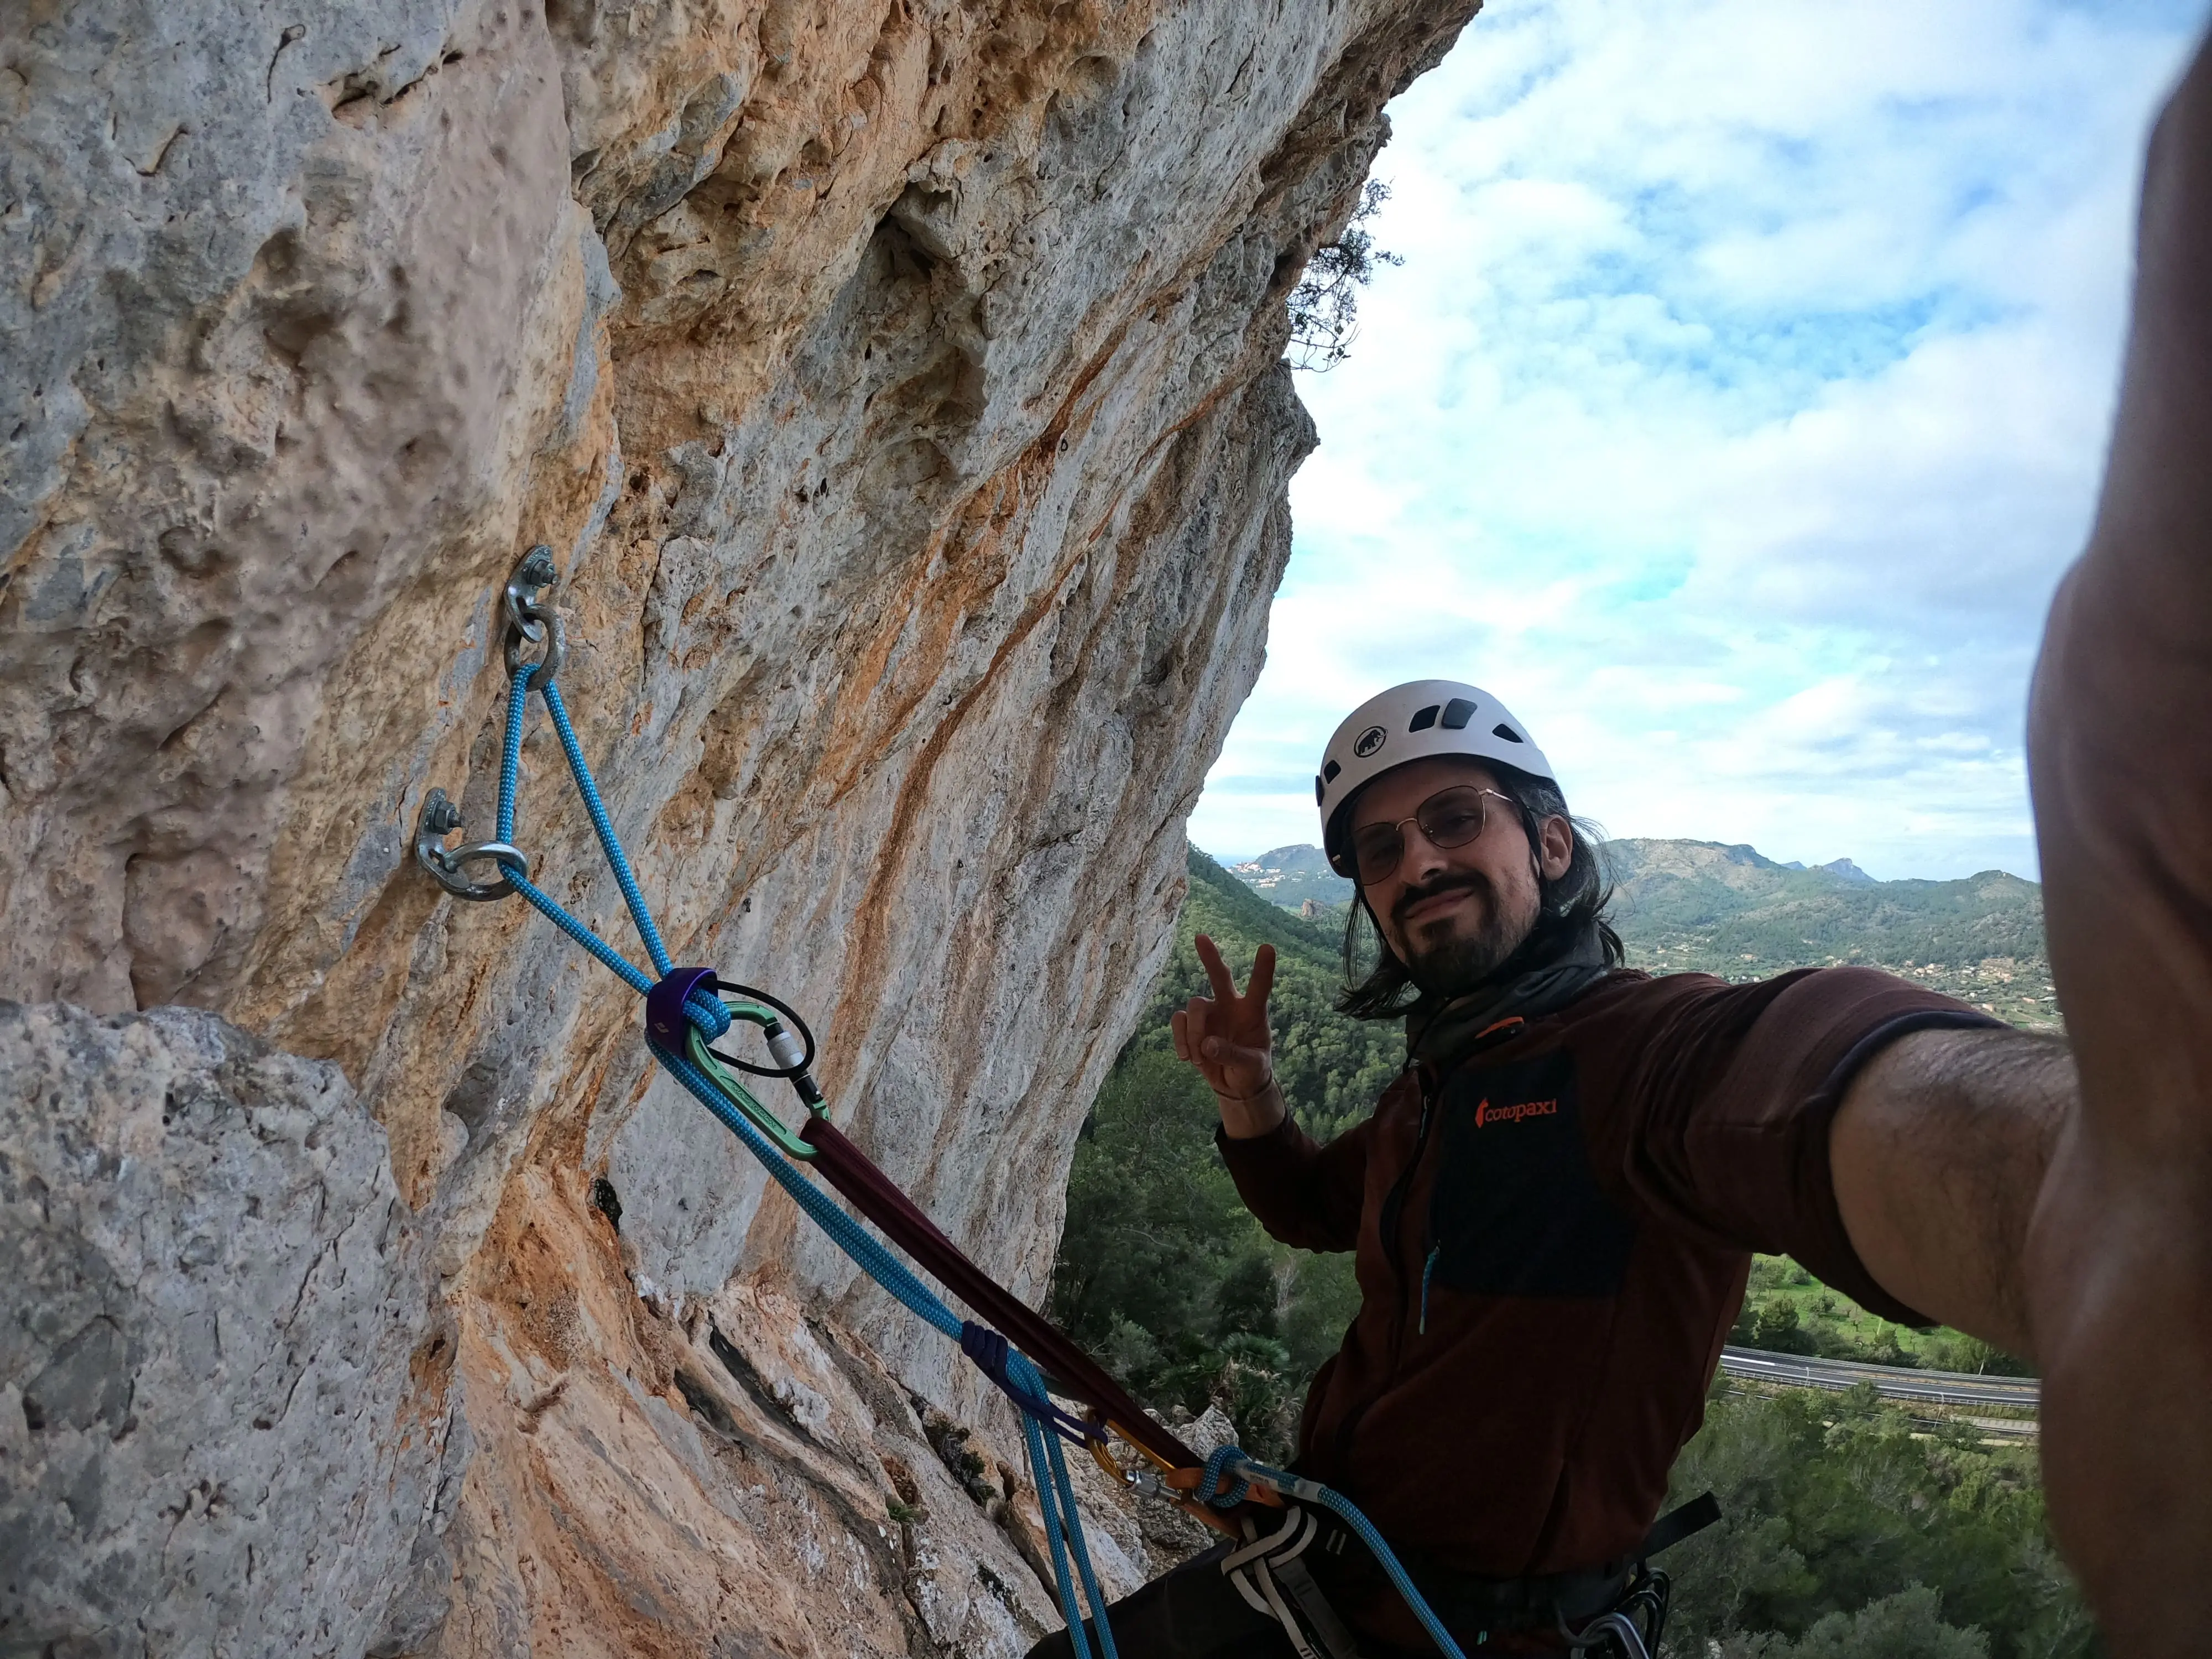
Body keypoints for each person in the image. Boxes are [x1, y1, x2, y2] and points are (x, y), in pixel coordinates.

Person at [1032, 679, 2074, 1658]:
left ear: (1553, 845)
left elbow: (1803, 1070)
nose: (1416, 864)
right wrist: (1247, 1091)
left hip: (1481, 1632)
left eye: (1453, 819)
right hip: (1328, 1582)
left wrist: (2090, 1177)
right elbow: (1312, 1209)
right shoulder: (1436, 1086)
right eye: (1380, 849)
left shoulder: (1630, 1053)